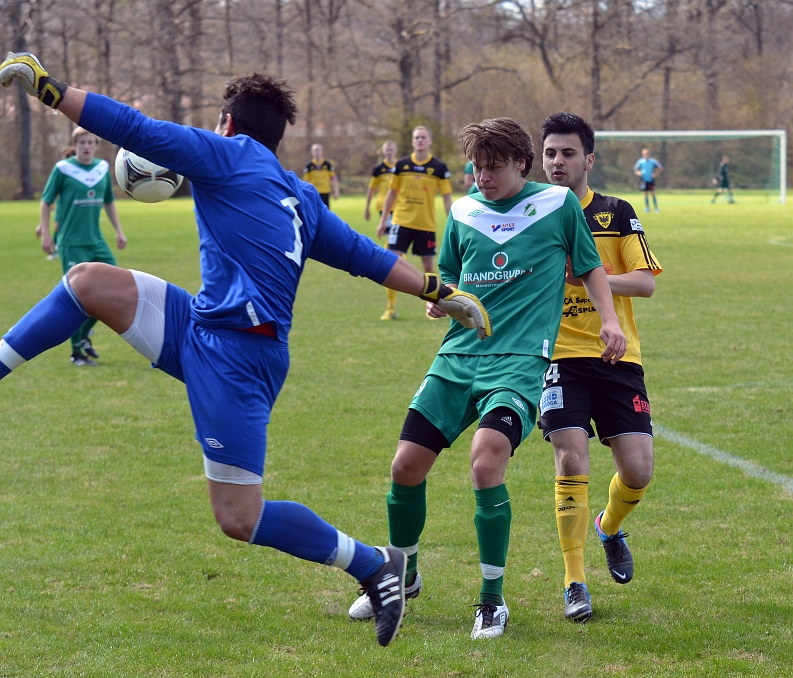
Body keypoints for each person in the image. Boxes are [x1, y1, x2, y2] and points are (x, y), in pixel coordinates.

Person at [0, 51, 492, 648]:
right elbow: (365, 256)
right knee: (87, 282)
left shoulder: (225, 155)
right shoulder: (301, 196)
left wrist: (48, 88)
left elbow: (134, 128)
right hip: (203, 326)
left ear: (228, 124)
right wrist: (439, 288)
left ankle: (373, 564)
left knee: (240, 518)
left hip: (237, 360)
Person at [348, 117, 626, 639]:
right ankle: (403, 577)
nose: (482, 177)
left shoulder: (556, 205)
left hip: (519, 361)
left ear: (522, 163)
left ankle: (492, 600)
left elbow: (589, 267)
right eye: (476, 167)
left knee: (485, 460)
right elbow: (451, 279)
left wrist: (609, 320)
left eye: (493, 167)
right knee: (405, 466)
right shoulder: (462, 210)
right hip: (457, 358)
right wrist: (443, 302)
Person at [540, 112, 663, 622]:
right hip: (558, 357)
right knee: (572, 459)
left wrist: (591, 279)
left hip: (618, 356)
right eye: (549, 153)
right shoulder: (531, 214)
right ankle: (574, 582)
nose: (557, 162)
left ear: (588, 159)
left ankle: (608, 528)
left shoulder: (615, 212)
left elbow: (646, 281)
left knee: (637, 470)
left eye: (567, 153)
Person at [37, 126, 128, 366]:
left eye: (91, 142)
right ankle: (76, 352)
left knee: (116, 287)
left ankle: (85, 334)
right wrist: (46, 234)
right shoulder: (63, 170)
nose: (86, 146)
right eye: (82, 143)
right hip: (71, 243)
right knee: (77, 298)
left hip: (96, 242)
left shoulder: (102, 168)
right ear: (75, 145)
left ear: (96, 145)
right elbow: (46, 203)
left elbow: (108, 201)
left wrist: (119, 231)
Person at [376, 126, 453, 321]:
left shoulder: (439, 168)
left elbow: (446, 197)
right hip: (400, 221)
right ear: (412, 141)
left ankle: (434, 306)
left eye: (423, 137)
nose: (419, 140)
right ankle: (391, 307)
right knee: (391, 262)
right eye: (416, 137)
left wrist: (454, 221)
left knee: (428, 266)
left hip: (425, 225)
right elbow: (391, 193)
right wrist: (383, 219)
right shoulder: (401, 165)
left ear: (429, 141)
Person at [363, 140, 397, 225]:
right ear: (383, 151)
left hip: (399, 206)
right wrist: (367, 208)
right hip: (384, 205)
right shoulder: (378, 169)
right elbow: (371, 189)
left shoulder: (401, 166)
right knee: (390, 234)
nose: (389, 152)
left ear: (395, 151)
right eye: (387, 150)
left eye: (391, 150)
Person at [302, 143, 339, 209]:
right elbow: (305, 181)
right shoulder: (309, 166)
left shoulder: (327, 165)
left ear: (322, 151)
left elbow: (333, 178)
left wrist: (336, 191)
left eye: (318, 150)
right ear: (312, 152)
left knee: (326, 213)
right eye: (315, 150)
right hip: (314, 193)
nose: (317, 152)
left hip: (325, 192)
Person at [633, 149, 662, 213]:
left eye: (647, 153)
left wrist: (655, 174)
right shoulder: (640, 161)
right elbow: (635, 168)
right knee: (645, 194)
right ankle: (647, 208)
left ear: (649, 154)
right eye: (645, 154)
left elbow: (660, 167)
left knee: (653, 193)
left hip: (650, 180)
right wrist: (638, 173)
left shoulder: (653, 161)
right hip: (643, 180)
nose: (646, 155)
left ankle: (656, 208)